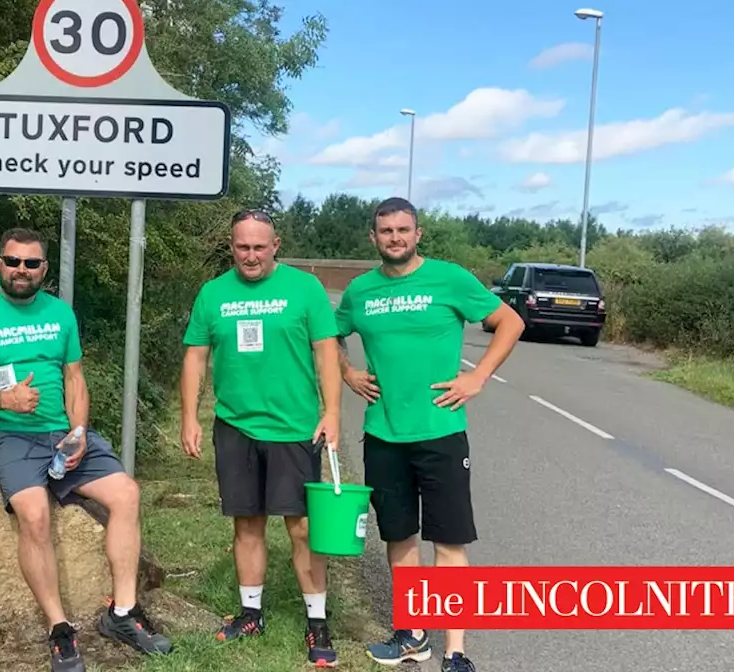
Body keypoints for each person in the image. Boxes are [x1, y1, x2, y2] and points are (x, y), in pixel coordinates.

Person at [0, 227, 172, 672]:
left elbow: (75, 379)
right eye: (13, 261)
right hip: (9, 434)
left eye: (31, 263)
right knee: (35, 514)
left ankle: (122, 613)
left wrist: (79, 431)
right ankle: (59, 629)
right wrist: (1, 400)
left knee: (127, 494)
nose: (21, 270)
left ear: (44, 268)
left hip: (62, 435)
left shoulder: (61, 314)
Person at [333, 197, 523, 672]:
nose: (394, 238)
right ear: (373, 237)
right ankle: (412, 635)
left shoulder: (450, 278)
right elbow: (327, 334)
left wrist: (477, 377)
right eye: (385, 231)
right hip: (383, 433)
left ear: (418, 234)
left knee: (450, 541)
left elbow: (510, 321)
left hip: (441, 431)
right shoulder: (360, 290)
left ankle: (455, 650)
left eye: (402, 230)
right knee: (399, 537)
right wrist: (347, 371)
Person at [179, 209, 343, 667]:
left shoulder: (305, 288)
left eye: (258, 246)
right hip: (235, 426)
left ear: (275, 245)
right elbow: (195, 358)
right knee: (247, 524)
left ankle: (317, 622)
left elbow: (327, 352)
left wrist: (332, 412)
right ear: (231, 247)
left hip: (294, 428)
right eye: (241, 246)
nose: (250, 255)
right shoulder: (213, 293)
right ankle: (251, 613)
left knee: (303, 528)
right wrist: (189, 417)